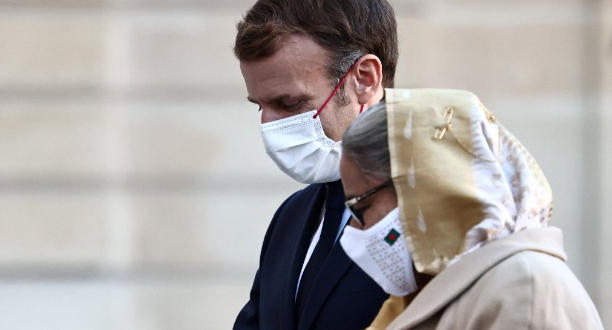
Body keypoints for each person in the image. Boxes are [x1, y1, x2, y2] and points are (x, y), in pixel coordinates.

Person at [338, 88, 604, 330]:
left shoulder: (521, 285)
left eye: (360, 208)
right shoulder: (423, 293)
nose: (353, 229)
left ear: (423, 188)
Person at [232, 0, 399, 329]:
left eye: (289, 102)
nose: (270, 125)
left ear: (365, 80)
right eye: (259, 106)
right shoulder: (291, 217)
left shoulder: (443, 209)